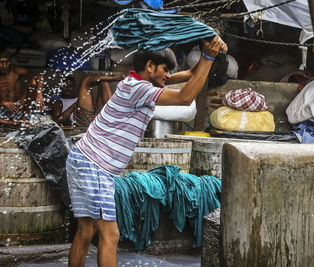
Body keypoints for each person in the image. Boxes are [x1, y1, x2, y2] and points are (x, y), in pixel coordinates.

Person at [65, 35, 227, 267]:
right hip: (94, 164)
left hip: (83, 159)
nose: (168, 76)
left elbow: (192, 75)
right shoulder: (138, 88)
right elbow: (185, 97)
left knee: (86, 230)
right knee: (110, 235)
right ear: (149, 66)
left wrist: (208, 52)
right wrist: (210, 55)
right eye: (165, 69)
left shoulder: (136, 83)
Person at [50, 73, 124, 128]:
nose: (67, 88)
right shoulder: (58, 101)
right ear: (61, 87)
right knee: (86, 80)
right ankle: (119, 77)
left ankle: (113, 118)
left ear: (74, 87)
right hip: (81, 121)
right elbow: (57, 121)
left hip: (96, 117)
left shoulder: (81, 98)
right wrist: (74, 105)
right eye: (64, 86)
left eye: (70, 86)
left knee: (103, 82)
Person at [0, 50, 44, 125]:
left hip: (19, 106)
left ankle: (23, 118)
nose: (4, 65)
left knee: (33, 81)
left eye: (6, 62)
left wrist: (39, 92)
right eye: (1, 62)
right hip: (2, 108)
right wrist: (3, 103)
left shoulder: (15, 70)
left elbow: (39, 75)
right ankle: (9, 122)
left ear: (10, 62)